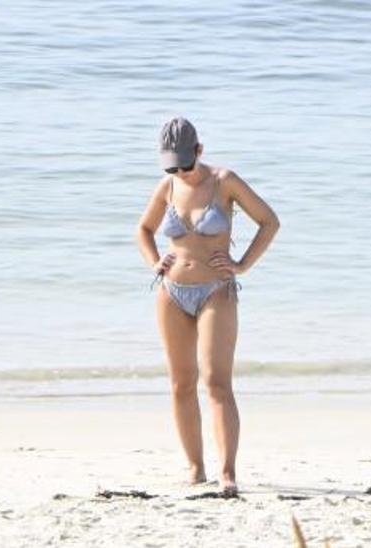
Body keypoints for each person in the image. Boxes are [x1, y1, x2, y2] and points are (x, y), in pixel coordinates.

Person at [135, 117, 280, 494]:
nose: (179, 171)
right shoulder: (167, 186)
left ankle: (228, 473)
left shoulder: (224, 181)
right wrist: (155, 261)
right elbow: (143, 229)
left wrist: (242, 264)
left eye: (185, 163)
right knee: (181, 384)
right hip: (172, 293)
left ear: (199, 151)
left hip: (216, 290)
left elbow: (269, 222)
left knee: (216, 382)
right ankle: (195, 468)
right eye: (172, 165)